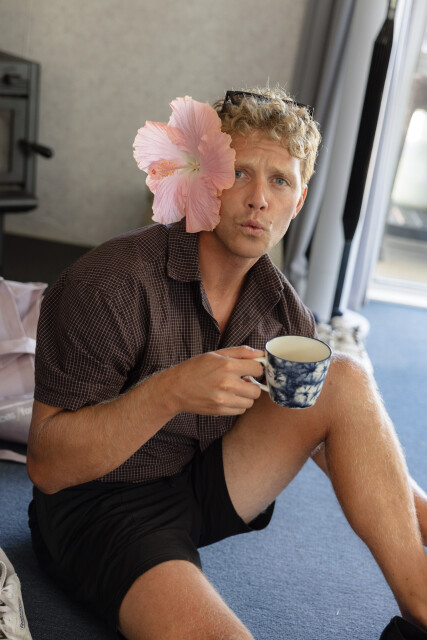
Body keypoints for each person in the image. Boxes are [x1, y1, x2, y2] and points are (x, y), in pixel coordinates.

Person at [27, 87, 427, 640]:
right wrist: (170, 391)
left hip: (203, 488)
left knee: (344, 377)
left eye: (280, 181)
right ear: (205, 178)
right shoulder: (108, 283)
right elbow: (48, 467)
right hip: (99, 502)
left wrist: (420, 514)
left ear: (299, 201)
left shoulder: (285, 312)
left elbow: (327, 433)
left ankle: (422, 604)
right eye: (240, 173)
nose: (258, 198)